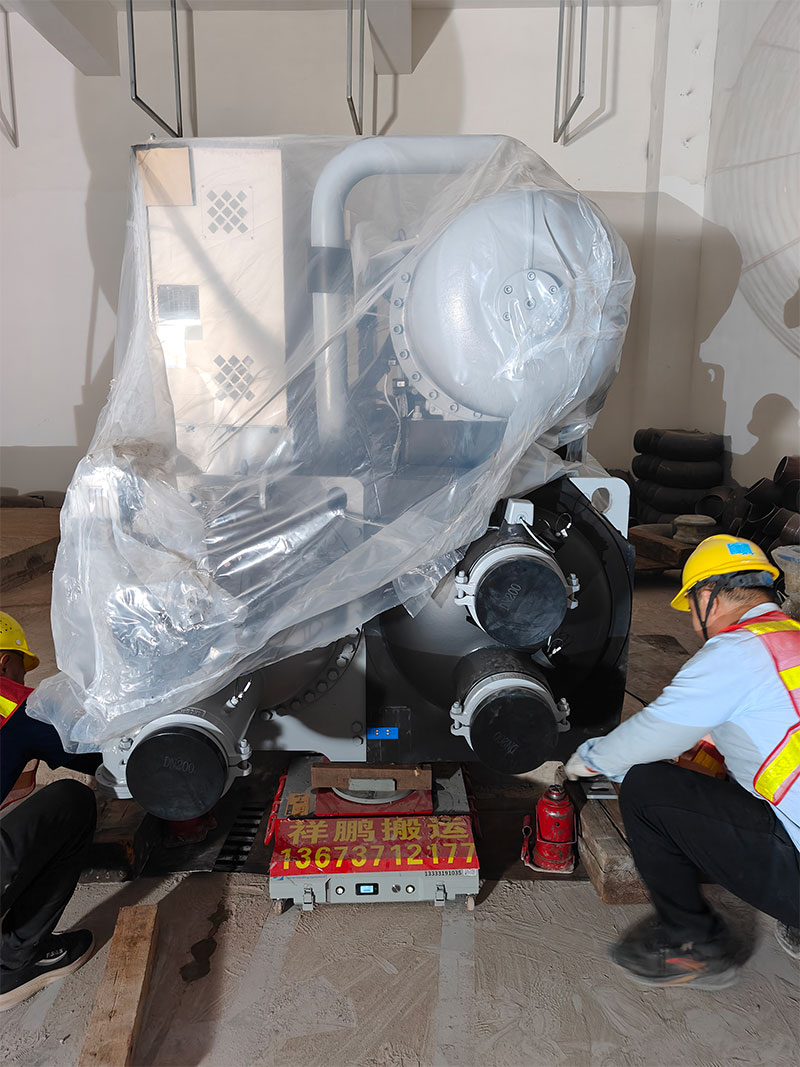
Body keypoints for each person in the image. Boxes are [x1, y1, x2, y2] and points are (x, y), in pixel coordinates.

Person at [565, 535, 800, 990]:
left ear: (708, 597)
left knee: (646, 787)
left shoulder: (736, 652)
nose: (694, 624)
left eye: (692, 608)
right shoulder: (789, 640)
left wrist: (588, 760)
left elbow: (655, 731)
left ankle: (694, 944)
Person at [0, 611, 100, 1011]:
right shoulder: (10, 703)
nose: (21, 680)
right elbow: (87, 754)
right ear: (4, 662)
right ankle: (14, 964)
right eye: (20, 670)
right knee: (72, 802)